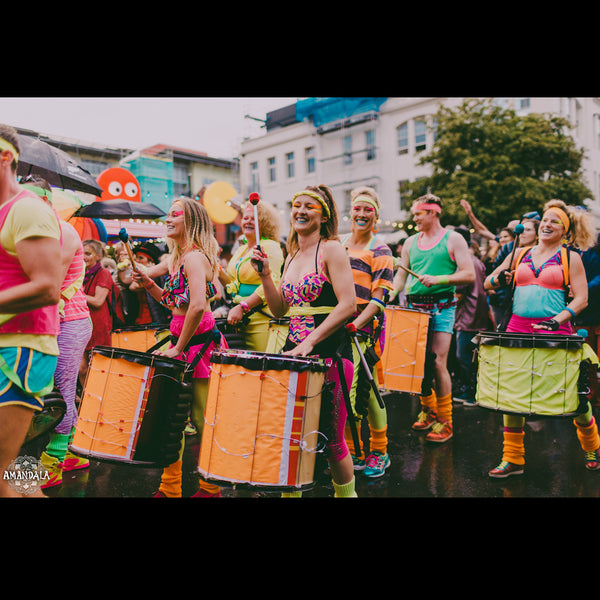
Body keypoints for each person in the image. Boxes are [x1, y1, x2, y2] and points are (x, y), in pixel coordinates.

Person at [251, 184, 358, 497]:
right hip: (295, 355)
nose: (301, 211)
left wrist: (311, 341)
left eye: (309, 206)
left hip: (330, 354)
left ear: (323, 216)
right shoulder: (292, 255)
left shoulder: (332, 249)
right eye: (297, 205)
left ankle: (346, 495)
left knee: (332, 440)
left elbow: (348, 305)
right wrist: (266, 275)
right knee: (292, 436)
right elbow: (279, 309)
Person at [485, 199, 600, 476]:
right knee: (512, 394)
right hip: (517, 331)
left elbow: (582, 298)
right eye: (545, 220)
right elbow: (489, 282)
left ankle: (592, 446)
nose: (548, 224)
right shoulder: (519, 252)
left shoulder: (570, 257)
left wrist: (556, 320)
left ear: (566, 230)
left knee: (572, 394)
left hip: (556, 333)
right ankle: (513, 458)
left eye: (555, 221)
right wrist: (500, 280)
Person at [133, 197, 227, 498]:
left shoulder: (195, 258)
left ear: (192, 221)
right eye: (168, 214)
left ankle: (211, 488)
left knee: (202, 420)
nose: (168, 219)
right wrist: (149, 284)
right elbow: (174, 305)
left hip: (198, 348)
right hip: (182, 344)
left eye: (176, 214)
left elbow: (198, 306)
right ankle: (170, 488)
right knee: (172, 419)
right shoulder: (178, 258)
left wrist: (178, 348)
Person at [0, 125, 62, 497]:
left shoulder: (27, 210)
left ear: (5, 156)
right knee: (12, 469)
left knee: (4, 470)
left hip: (23, 348)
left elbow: (48, 286)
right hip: (8, 344)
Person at [19, 175, 93, 489]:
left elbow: (48, 288)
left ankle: (53, 463)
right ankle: (73, 452)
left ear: (47, 201)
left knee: (61, 390)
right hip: (47, 320)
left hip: (69, 321)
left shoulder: (62, 232)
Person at [393, 193, 475, 443]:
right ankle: (429, 411)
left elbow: (469, 274)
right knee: (419, 363)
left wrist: (439, 279)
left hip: (443, 307)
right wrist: (388, 293)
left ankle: (445, 420)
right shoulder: (409, 242)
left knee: (438, 362)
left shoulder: (454, 239)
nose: (414, 217)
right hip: (415, 308)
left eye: (418, 213)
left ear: (433, 212)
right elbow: (400, 277)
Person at [341, 186, 394, 477]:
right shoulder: (339, 245)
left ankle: (380, 451)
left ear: (376, 215)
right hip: (338, 329)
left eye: (368, 210)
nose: (361, 214)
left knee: (370, 390)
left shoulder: (381, 249)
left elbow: (379, 299)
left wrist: (356, 325)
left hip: (365, 331)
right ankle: (347, 451)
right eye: (358, 209)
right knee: (343, 391)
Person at [222, 199, 284, 351]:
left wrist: (243, 307)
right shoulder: (241, 250)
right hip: (239, 319)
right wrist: (216, 271)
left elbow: (272, 281)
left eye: (253, 219)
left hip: (261, 319)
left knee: (260, 368)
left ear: (264, 223)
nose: (248, 222)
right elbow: (233, 284)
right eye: (245, 218)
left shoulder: (271, 247)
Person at [453, 239, 490, 405]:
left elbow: (459, 294)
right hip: (479, 315)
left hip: (467, 317)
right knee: (473, 357)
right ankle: (473, 391)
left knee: (464, 357)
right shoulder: (478, 262)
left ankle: (469, 393)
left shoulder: (465, 263)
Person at [80, 240, 113, 386]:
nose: (83, 257)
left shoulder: (103, 273)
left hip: (98, 326)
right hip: (82, 325)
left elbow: (98, 301)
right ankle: (86, 401)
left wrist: (76, 292)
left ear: (98, 256)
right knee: (81, 369)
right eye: (81, 253)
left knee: (98, 368)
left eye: (87, 253)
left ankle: (96, 398)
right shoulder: (82, 274)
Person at [119, 241, 170, 326]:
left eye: (141, 258)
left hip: (154, 319)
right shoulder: (141, 274)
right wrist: (124, 264)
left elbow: (134, 286)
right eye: (137, 258)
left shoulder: (155, 275)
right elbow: (125, 280)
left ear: (150, 261)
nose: (138, 260)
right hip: (140, 320)